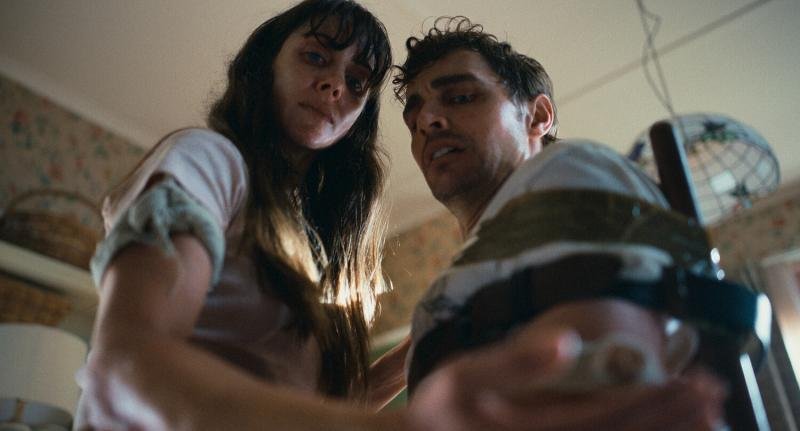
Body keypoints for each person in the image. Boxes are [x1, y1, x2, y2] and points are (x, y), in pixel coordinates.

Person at [76, 2, 643, 430]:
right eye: (316, 57)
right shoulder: (210, 160)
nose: (334, 84)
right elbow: (125, 363)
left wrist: (426, 342)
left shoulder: (316, 241)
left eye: (356, 81)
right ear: (265, 65)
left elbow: (317, 408)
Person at [394, 17, 729, 429]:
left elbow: (600, 383)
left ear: (537, 116)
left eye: (461, 97)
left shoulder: (567, 167)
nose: (427, 121)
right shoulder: (471, 270)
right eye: (413, 119)